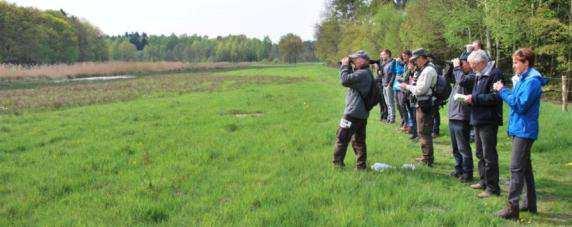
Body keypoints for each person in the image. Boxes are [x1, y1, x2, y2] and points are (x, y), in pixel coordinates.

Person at [494, 48, 548, 220]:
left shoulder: (532, 82)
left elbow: (520, 105)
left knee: (516, 168)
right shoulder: (523, 79)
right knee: (525, 169)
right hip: (520, 128)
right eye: (514, 61)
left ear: (526, 63)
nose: (514, 65)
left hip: (525, 130)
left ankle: (512, 208)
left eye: (517, 62)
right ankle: (530, 203)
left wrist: (502, 90)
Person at [460, 49, 503, 198]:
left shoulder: (495, 74)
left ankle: (493, 188)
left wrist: (474, 98)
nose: (471, 68)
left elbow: (495, 97)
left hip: (489, 119)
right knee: (479, 152)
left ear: (482, 62)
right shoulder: (479, 74)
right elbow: (477, 94)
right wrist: (470, 98)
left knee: (489, 154)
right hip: (477, 117)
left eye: (474, 64)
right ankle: (483, 180)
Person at [333, 50, 374, 170]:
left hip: (352, 113)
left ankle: (337, 165)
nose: (354, 61)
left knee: (342, 138)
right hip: (361, 113)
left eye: (356, 59)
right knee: (359, 141)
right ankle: (361, 167)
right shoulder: (365, 72)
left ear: (363, 60)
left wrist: (345, 66)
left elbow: (344, 80)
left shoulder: (363, 74)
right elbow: (351, 79)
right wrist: (348, 66)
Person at [400, 48, 437, 166]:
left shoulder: (428, 70)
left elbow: (421, 90)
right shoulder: (425, 69)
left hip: (425, 104)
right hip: (422, 103)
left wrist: (407, 86)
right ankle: (425, 156)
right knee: (422, 131)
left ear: (421, 58)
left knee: (424, 132)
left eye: (416, 59)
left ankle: (427, 159)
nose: (415, 62)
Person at [448, 51, 474, 182]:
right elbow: (446, 78)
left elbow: (462, 81)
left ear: (470, 63)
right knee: (455, 147)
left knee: (463, 147)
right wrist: (452, 67)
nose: (460, 65)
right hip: (453, 115)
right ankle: (459, 169)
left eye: (462, 63)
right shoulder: (459, 74)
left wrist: (457, 68)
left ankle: (467, 173)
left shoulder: (471, 76)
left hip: (462, 116)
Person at [393, 51, 411, 132]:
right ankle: (405, 124)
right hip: (400, 86)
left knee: (405, 107)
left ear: (409, 56)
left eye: (405, 56)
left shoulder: (409, 64)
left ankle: (409, 126)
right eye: (403, 56)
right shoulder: (404, 64)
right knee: (400, 106)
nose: (404, 57)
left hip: (407, 88)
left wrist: (399, 78)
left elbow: (405, 77)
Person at [378, 49, 397, 124]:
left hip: (389, 84)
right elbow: (382, 74)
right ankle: (389, 117)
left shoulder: (393, 62)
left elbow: (393, 74)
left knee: (390, 102)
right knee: (387, 102)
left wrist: (390, 84)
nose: (382, 56)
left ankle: (392, 118)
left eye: (383, 55)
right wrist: (380, 71)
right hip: (384, 84)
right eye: (381, 55)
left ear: (388, 54)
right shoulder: (383, 63)